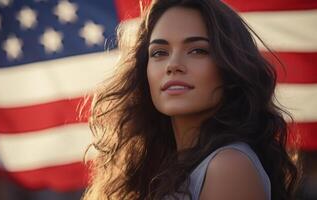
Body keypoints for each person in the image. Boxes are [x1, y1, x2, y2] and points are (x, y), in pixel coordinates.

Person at [82, 0, 300, 199]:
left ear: (230, 67)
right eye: (159, 52)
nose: (173, 64)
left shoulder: (228, 166)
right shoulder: (158, 167)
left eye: (197, 50)